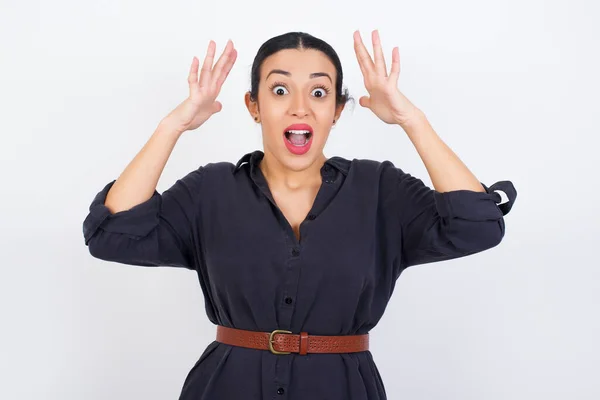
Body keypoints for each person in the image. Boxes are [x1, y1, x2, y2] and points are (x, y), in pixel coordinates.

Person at [82, 30, 517, 400]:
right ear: (253, 106)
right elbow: (113, 233)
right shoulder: (209, 191)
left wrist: (411, 119)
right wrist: (172, 126)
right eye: (279, 89)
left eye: (319, 92)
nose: (299, 107)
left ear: (337, 111)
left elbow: (476, 226)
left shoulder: (381, 190)